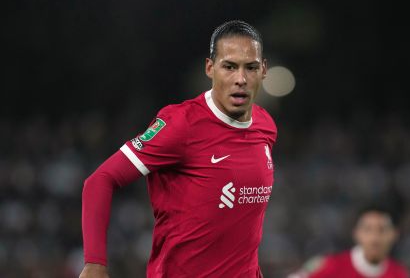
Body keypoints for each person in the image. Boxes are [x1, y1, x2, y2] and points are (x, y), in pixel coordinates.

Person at [79, 20, 277, 278]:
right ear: (210, 68)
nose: (240, 78)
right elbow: (100, 181)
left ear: (263, 70)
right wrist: (95, 264)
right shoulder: (181, 124)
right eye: (229, 66)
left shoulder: (265, 125)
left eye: (250, 68)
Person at [288, 205, 410, 278]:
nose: (375, 237)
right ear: (357, 233)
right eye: (368, 229)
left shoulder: (398, 273)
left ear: (394, 234)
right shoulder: (331, 265)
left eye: (382, 230)